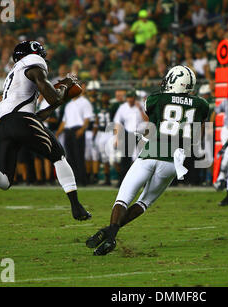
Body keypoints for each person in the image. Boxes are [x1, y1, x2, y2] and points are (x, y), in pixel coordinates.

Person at [0, 40, 91, 221]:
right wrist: (65, 86)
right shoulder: (34, 63)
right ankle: (76, 207)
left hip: (3, 126)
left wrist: (60, 98)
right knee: (58, 156)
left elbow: (38, 114)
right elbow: (51, 99)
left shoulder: (13, 74)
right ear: (36, 54)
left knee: (4, 181)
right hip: (22, 121)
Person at [86, 65, 209, 255]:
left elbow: (152, 119)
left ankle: (110, 236)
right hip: (172, 162)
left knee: (123, 198)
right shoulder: (201, 104)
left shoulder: (156, 98)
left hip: (151, 153)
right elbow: (196, 134)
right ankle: (109, 232)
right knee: (144, 202)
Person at [55, 84, 94, 186]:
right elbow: (64, 121)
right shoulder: (68, 105)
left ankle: (82, 180)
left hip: (78, 129)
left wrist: (82, 129)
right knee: (70, 157)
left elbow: (87, 118)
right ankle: (74, 179)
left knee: (79, 156)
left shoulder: (85, 102)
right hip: (68, 131)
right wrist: (58, 133)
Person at [113, 90, 148, 186]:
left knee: (141, 159)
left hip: (140, 135)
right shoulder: (123, 108)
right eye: (128, 97)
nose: (130, 99)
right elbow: (118, 123)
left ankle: (143, 182)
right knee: (125, 159)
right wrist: (116, 138)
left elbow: (147, 120)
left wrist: (140, 109)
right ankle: (122, 182)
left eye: (132, 97)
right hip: (128, 134)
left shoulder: (142, 105)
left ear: (135, 98)